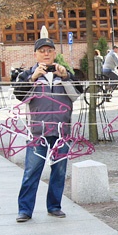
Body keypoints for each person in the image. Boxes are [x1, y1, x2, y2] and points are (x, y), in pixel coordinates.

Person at [12, 38, 82, 222]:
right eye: (42, 50)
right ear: (35, 54)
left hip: (61, 132)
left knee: (59, 171)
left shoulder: (65, 73)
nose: (46, 53)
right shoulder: (27, 74)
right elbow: (20, 96)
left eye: (49, 50)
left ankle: (54, 206)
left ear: (55, 53)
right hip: (37, 132)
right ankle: (25, 210)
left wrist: (66, 77)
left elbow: (76, 95)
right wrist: (32, 78)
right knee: (32, 171)